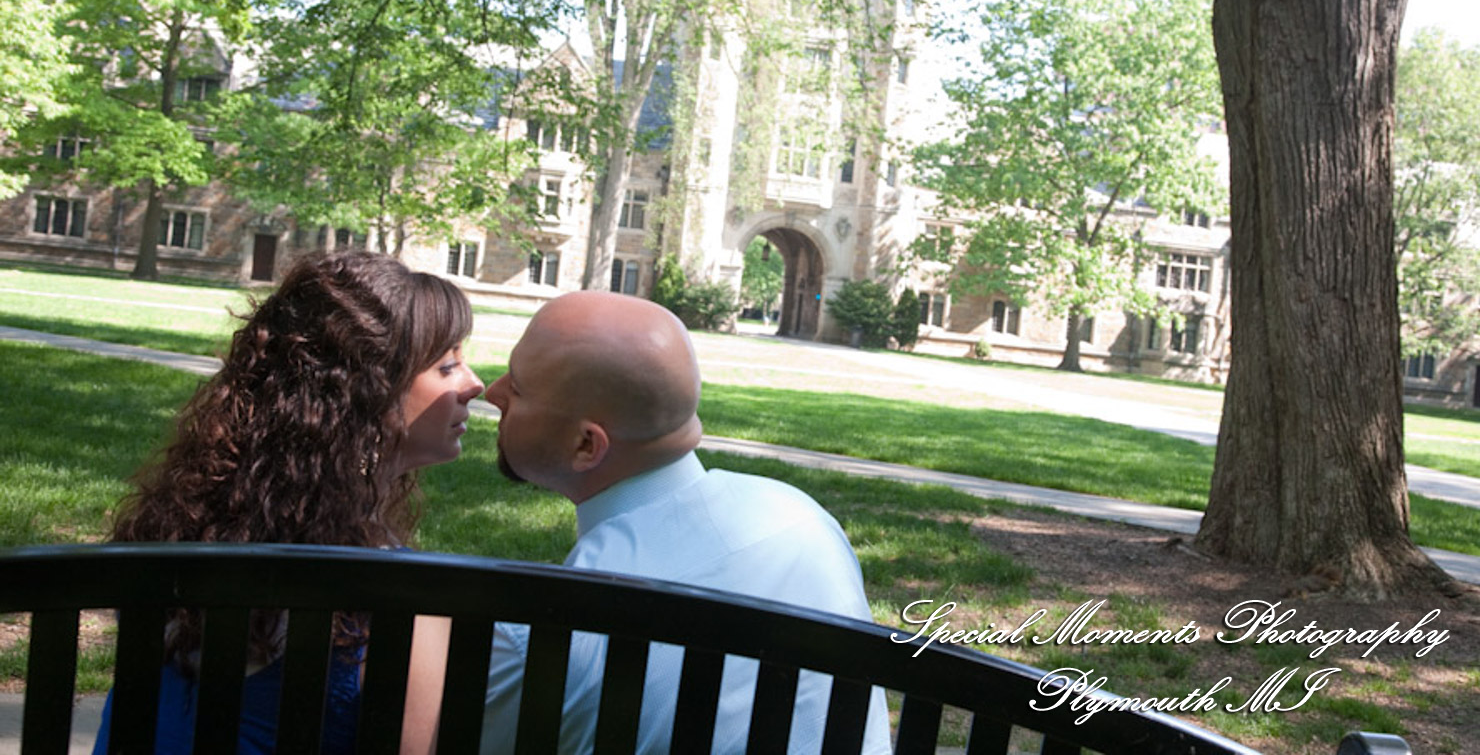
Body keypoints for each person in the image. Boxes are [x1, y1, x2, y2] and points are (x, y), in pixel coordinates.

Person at [91, 250, 485, 755]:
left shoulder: (176, 536)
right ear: (370, 395)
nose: (474, 383)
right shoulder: (407, 600)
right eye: (448, 365)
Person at [481, 291, 890, 754]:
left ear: (586, 446)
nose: (491, 392)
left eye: (517, 387)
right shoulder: (805, 520)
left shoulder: (544, 631)